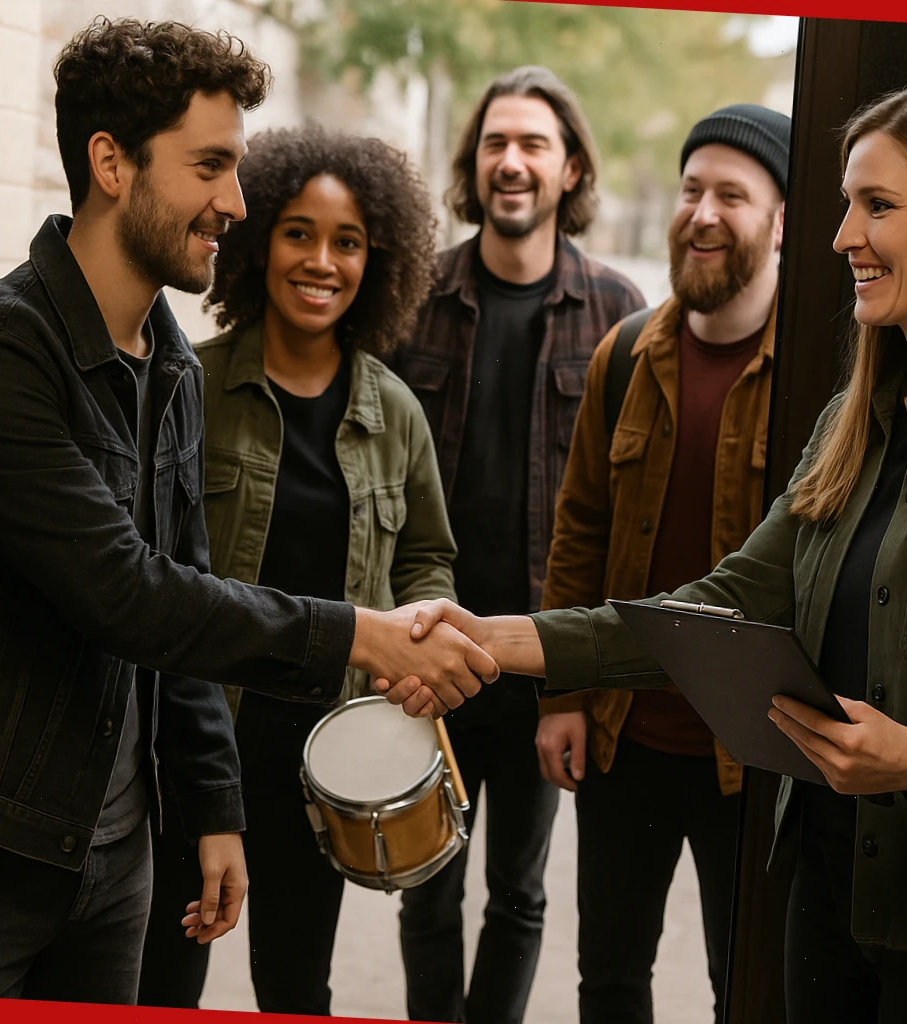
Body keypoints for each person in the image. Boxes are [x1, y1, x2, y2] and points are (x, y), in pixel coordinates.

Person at [383, 75, 907, 1024]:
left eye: (879, 205)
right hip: (824, 896)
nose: (843, 235)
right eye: (846, 205)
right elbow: (715, 605)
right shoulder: (849, 428)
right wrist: (489, 638)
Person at [0, 18, 493, 1005]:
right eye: (210, 167)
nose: (235, 203)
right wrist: (361, 634)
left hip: (115, 853)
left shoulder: (168, 363)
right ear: (111, 163)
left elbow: (188, 598)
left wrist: (210, 805)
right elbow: (131, 594)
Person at [135, 125, 454, 1014]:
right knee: (162, 982)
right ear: (259, 243)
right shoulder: (188, 386)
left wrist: (422, 637)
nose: (321, 261)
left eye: (347, 241)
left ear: (376, 263)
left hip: (323, 755)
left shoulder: (395, 412)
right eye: (298, 234)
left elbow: (427, 558)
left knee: (295, 985)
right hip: (195, 743)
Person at [386, 65, 645, 1024]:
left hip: (538, 661)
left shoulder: (618, 312)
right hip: (432, 649)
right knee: (426, 886)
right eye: (496, 141)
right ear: (474, 163)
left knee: (519, 893)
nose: (512, 161)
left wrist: (581, 678)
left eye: (535, 143)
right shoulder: (416, 294)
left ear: (570, 168)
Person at [534, 103, 790, 1024]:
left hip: (754, 752)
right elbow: (580, 532)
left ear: (781, 221)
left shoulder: (817, 370)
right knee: (608, 980)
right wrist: (562, 695)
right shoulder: (625, 355)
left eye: (732, 194)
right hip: (625, 737)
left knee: (745, 989)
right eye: (690, 190)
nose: (702, 213)